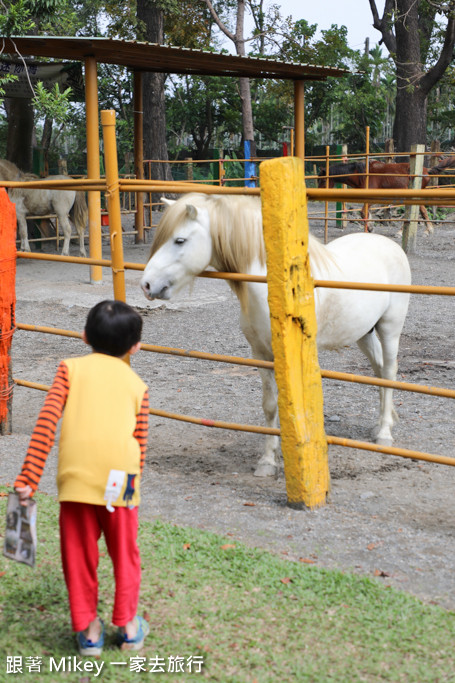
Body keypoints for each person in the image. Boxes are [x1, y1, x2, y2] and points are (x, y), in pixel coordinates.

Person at [14, 300, 150, 656]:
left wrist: (29, 476)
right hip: (122, 481)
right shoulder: (138, 385)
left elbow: (46, 423)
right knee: (126, 554)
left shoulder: (68, 369)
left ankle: (90, 633)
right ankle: (129, 627)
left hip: (76, 481)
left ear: (84, 335)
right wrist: (131, 487)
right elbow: (141, 443)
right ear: (136, 346)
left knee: (78, 554)